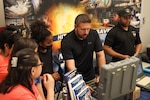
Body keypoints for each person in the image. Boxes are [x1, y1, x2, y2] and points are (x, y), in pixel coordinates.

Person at [61, 14, 106, 99]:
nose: (86, 32)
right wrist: (81, 85)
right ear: (75, 27)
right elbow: (71, 67)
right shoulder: (67, 41)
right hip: (74, 82)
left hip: (90, 77)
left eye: (88, 29)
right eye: (83, 29)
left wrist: (102, 75)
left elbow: (100, 55)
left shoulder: (93, 34)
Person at [30, 20, 60, 96]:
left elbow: (50, 62)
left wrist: (54, 73)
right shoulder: (34, 56)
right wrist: (49, 77)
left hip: (51, 86)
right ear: (40, 43)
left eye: (52, 41)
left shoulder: (50, 50)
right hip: (39, 90)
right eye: (48, 42)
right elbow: (32, 79)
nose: (51, 44)